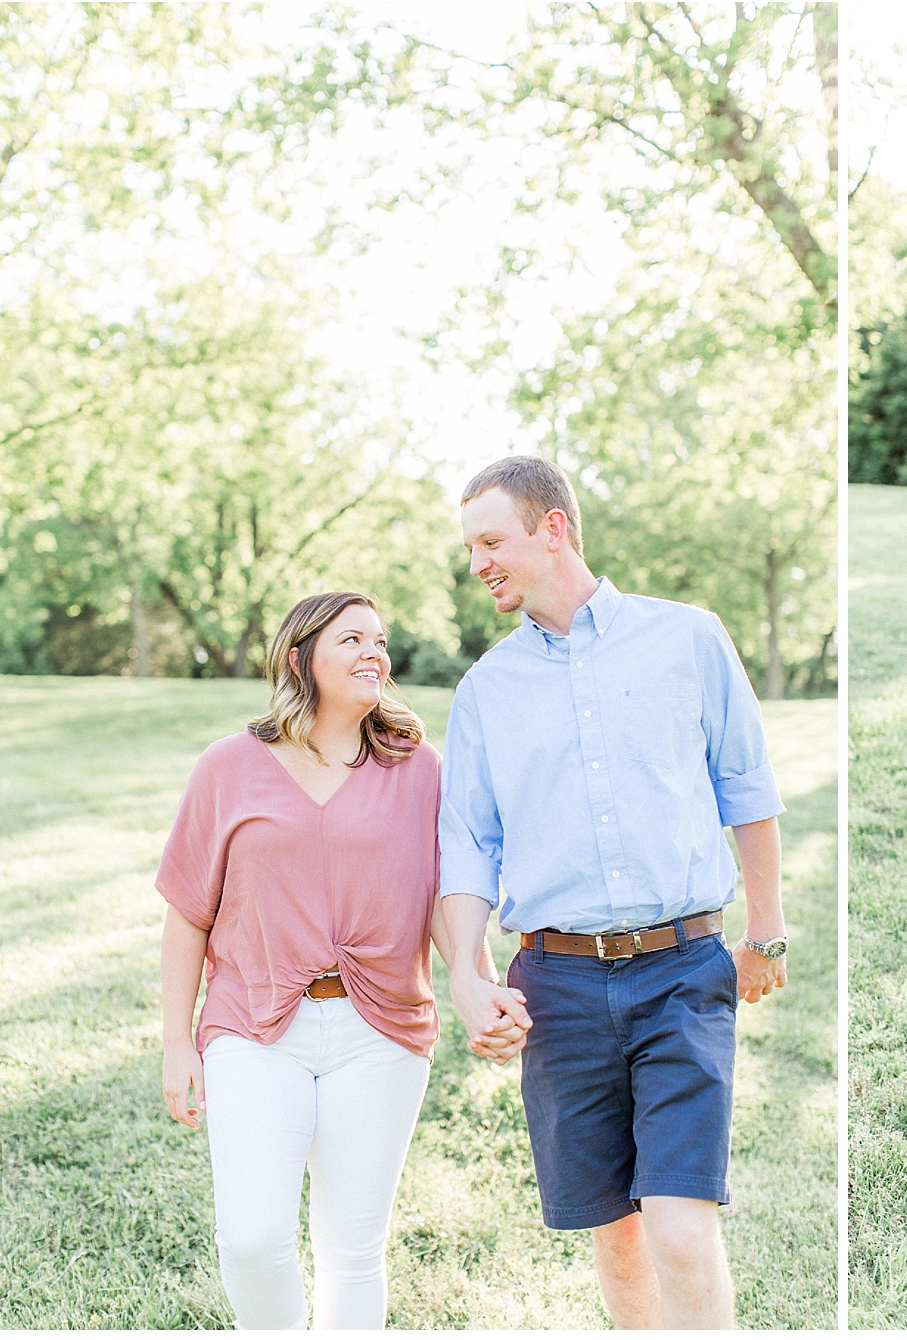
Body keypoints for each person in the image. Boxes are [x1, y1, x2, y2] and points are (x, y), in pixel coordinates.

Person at [437, 455, 790, 1329]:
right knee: (618, 1234)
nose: (478, 561)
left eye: (492, 540)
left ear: (552, 527)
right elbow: (470, 846)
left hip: (682, 970)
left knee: (678, 1225)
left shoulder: (689, 638)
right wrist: (469, 973)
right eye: (470, 545)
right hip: (555, 985)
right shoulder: (487, 690)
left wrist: (768, 932)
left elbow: (745, 786)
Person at [157, 591, 523, 1330]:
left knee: (353, 1248)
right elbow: (187, 913)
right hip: (253, 1026)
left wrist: (476, 986)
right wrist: (175, 1042)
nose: (373, 653)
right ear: (301, 659)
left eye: (379, 640)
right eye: (351, 639)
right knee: (253, 1237)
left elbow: (443, 898)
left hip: (381, 1032)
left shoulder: (419, 769)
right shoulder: (229, 767)